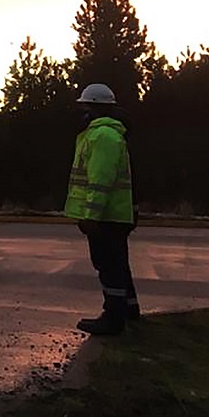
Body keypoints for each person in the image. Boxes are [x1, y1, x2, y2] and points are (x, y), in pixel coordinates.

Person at [63, 83, 139, 335]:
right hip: (114, 214)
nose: (81, 112)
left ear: (94, 108)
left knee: (108, 265)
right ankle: (127, 308)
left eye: (84, 107)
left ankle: (113, 318)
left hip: (106, 216)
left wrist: (90, 216)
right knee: (117, 263)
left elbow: (100, 181)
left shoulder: (103, 136)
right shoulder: (106, 134)